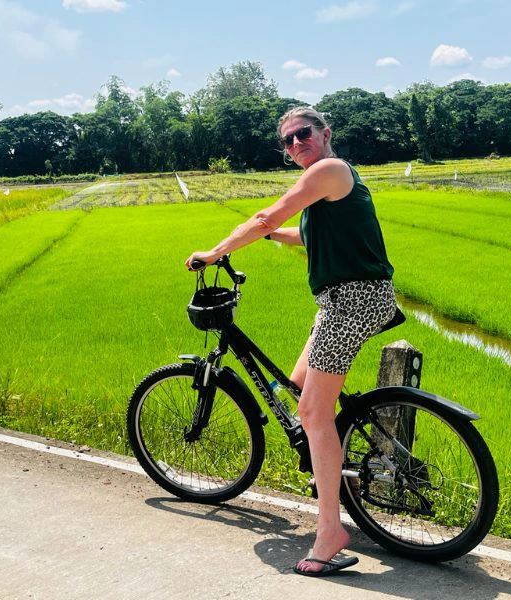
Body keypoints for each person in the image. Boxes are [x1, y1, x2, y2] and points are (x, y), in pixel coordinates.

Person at [185, 106, 397, 577]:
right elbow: (303, 233)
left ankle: (331, 531)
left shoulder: (328, 169)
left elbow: (267, 216)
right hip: (343, 301)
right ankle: (334, 465)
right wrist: (268, 238)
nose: (296, 143)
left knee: (312, 412)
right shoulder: (328, 186)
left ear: (325, 133)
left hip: (353, 301)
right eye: (288, 140)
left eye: (303, 133)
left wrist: (215, 252)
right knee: (299, 387)